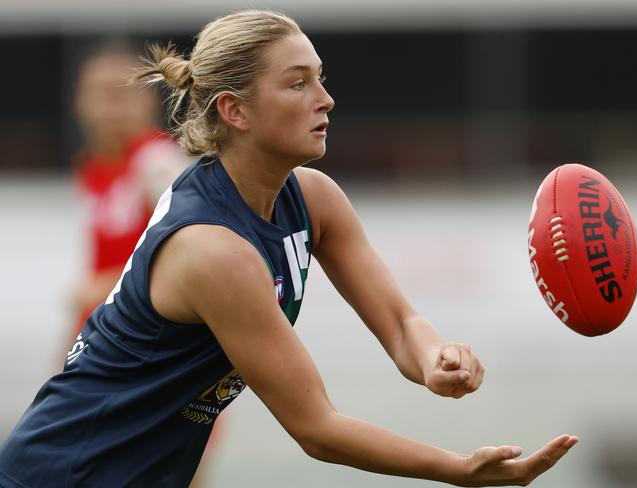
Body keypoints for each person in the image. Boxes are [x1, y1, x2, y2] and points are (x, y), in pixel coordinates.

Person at [0, 10, 578, 487]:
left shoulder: (315, 200)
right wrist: (459, 470)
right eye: (298, 83)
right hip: (61, 475)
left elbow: (402, 323)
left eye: (320, 78)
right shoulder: (213, 252)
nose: (325, 99)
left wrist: (434, 360)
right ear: (235, 110)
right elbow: (317, 430)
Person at [71, 40, 190, 333]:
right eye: (101, 93)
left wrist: (104, 286)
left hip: (143, 338)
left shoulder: (159, 162)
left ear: (148, 98)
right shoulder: (91, 166)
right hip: (103, 334)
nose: (110, 108)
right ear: (79, 102)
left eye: (122, 93)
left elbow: (191, 259)